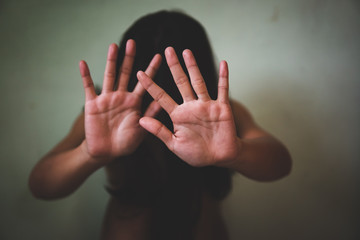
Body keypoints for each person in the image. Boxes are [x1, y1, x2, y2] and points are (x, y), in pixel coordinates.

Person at [29, 10, 292, 240]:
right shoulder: (106, 118)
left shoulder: (220, 117)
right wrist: (88, 154)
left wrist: (237, 152)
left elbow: (281, 163)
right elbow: (41, 184)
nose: (163, 88)